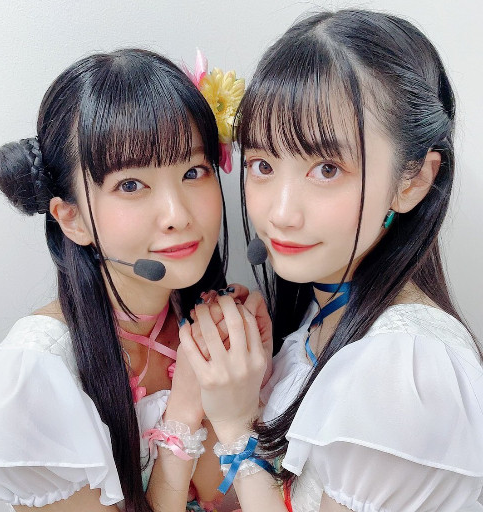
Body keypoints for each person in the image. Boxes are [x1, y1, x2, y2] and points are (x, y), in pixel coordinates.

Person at [179, 10, 483, 511]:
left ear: (412, 181)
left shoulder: (403, 366)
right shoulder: (323, 318)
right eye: (262, 165)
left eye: (326, 169)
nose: (281, 213)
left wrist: (236, 424)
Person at [0, 48, 231, 512]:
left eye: (193, 172)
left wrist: (237, 395)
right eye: (130, 185)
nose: (177, 214)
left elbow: (225, 499)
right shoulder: (33, 379)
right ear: (71, 218)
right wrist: (183, 419)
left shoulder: (206, 320)